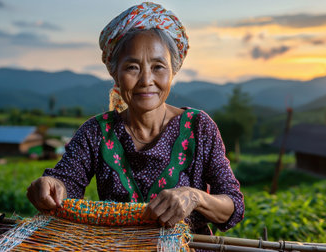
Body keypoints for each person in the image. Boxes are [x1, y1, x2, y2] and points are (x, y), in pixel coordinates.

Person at [27, 2, 244, 235]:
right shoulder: (96, 132)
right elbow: (65, 181)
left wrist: (195, 196)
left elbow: (233, 207)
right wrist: (51, 186)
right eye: (132, 67)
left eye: (158, 67)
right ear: (115, 73)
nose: (146, 80)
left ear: (174, 70)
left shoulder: (199, 127)